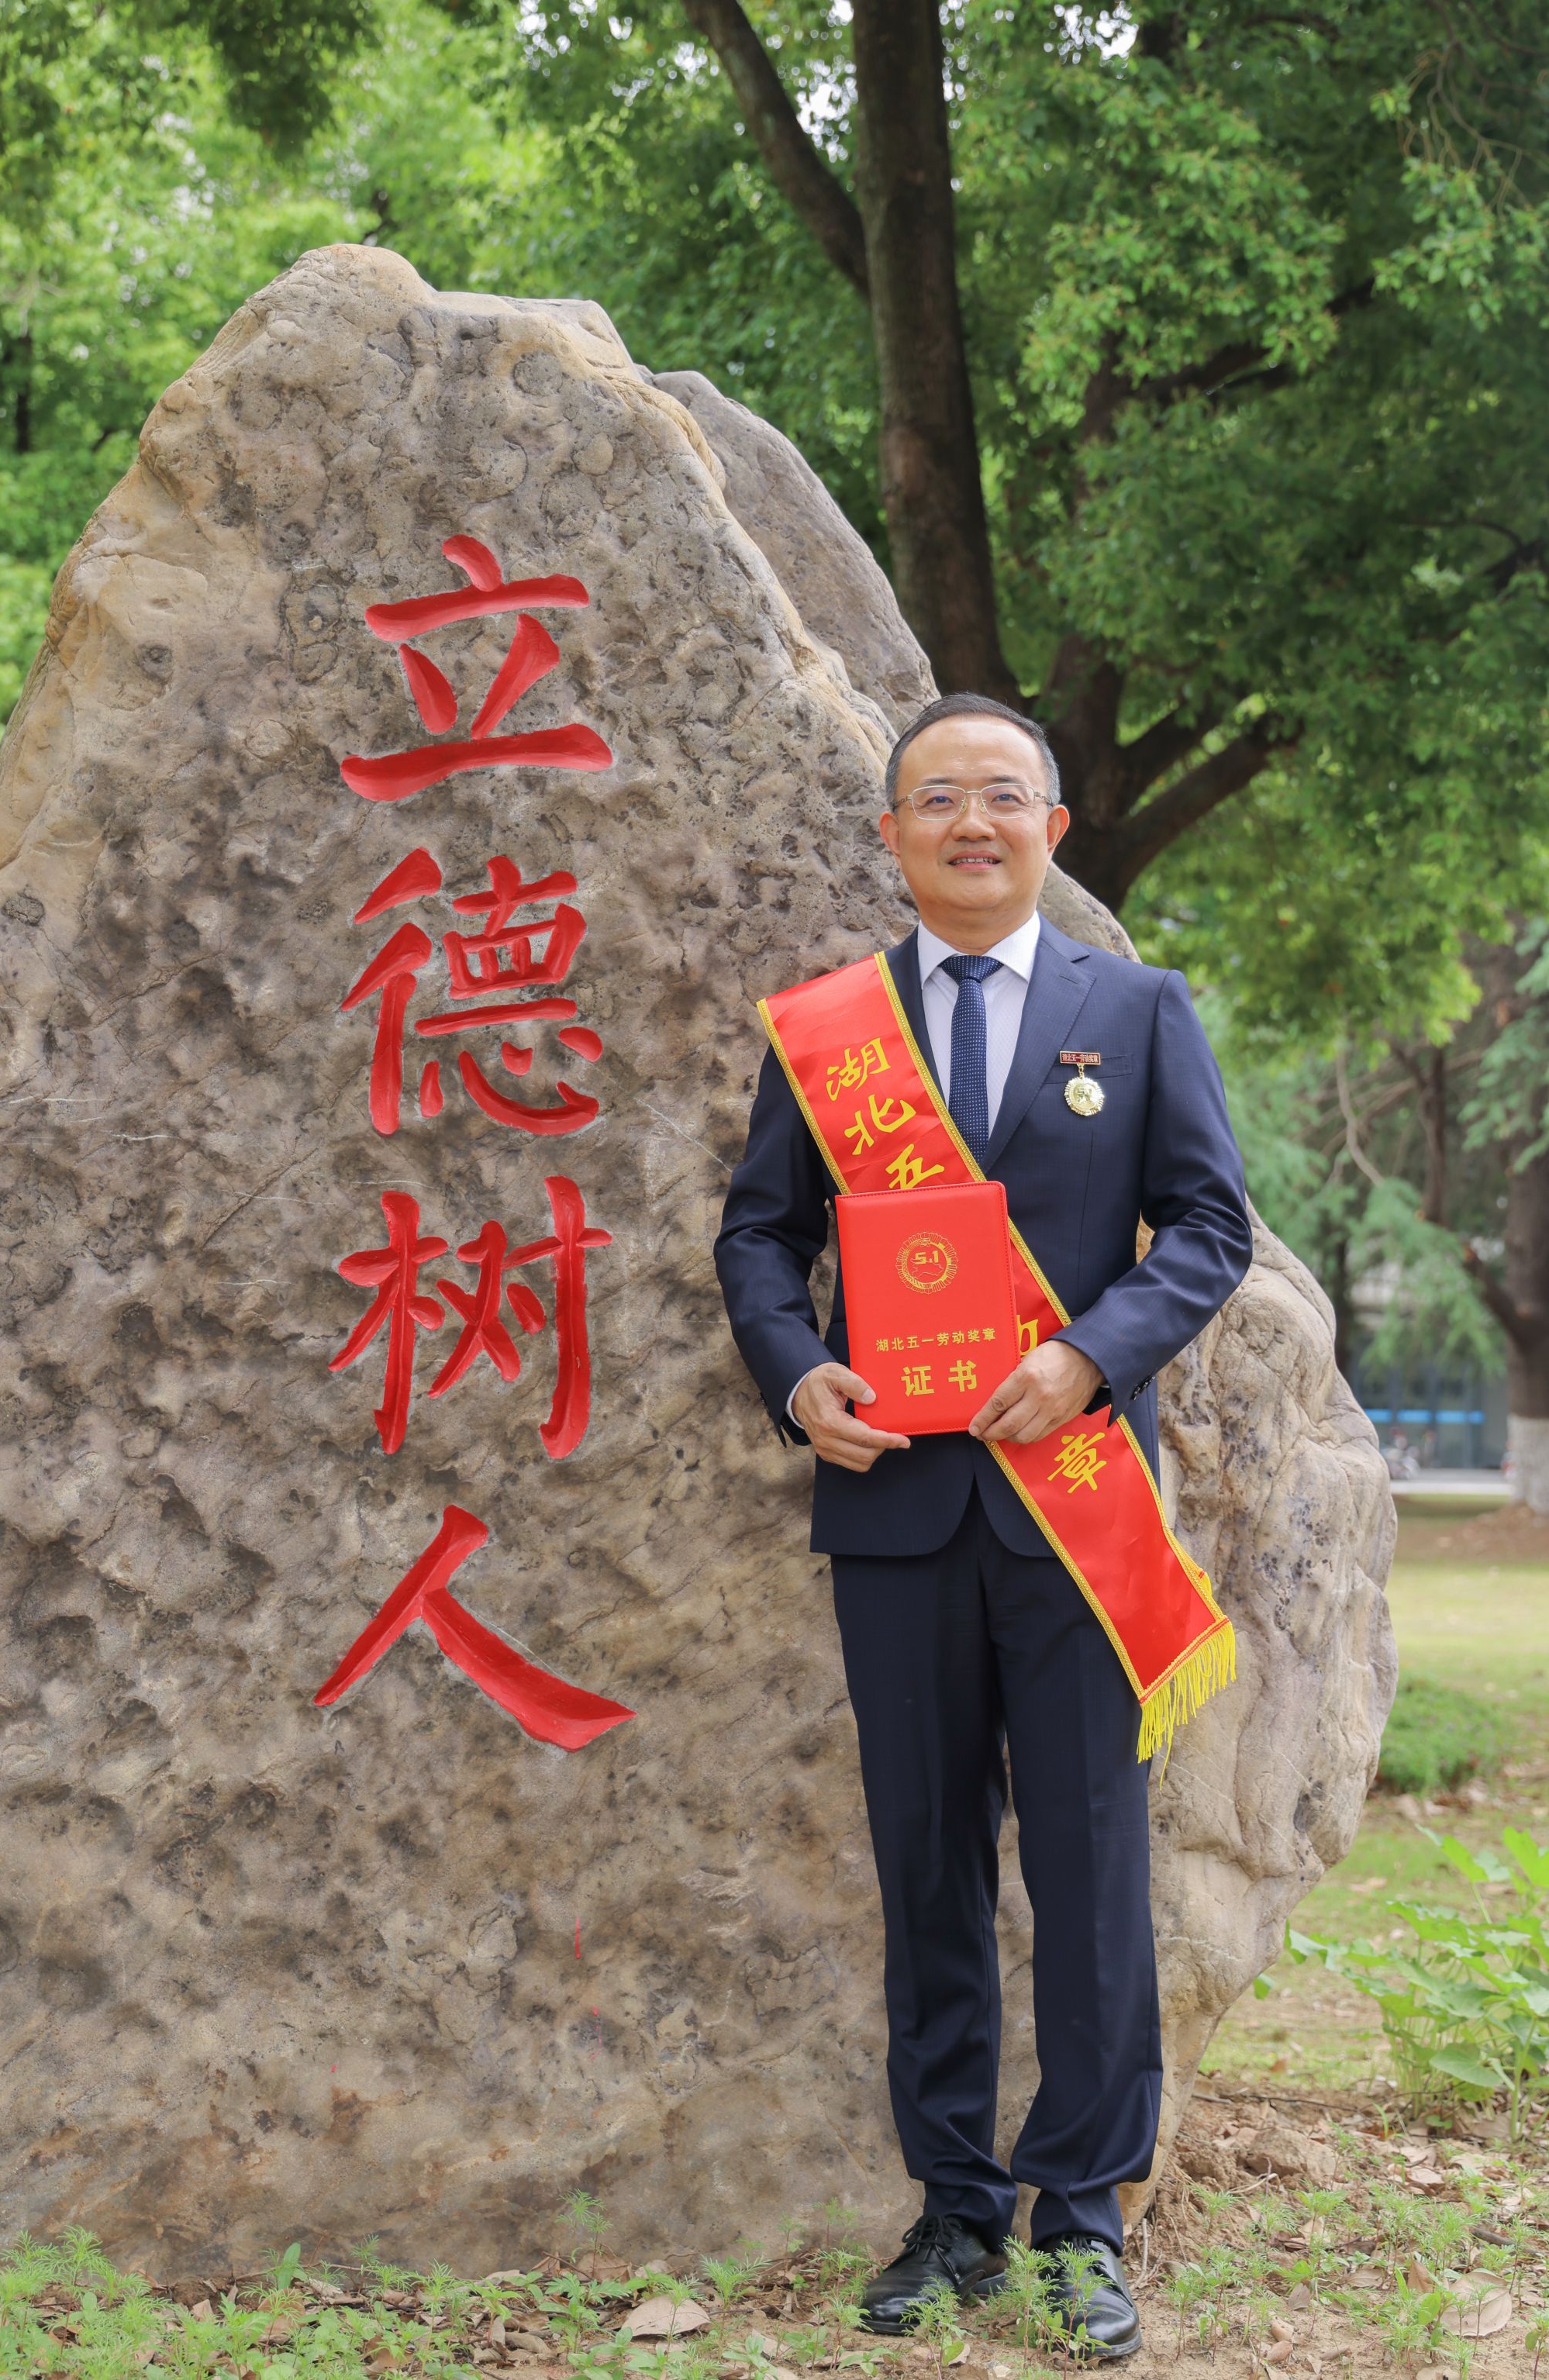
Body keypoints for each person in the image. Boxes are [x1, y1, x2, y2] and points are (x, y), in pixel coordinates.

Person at [714, 694, 1252, 2359]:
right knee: (928, 1862)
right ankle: (954, 2206)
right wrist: (796, 1371)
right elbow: (758, 1234)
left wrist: (1089, 1352)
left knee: (1091, 1873)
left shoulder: (1137, 1009)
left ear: (1051, 827)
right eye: (937, 798)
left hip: (1077, 1515)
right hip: (896, 1507)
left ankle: (1083, 2215)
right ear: (891, 833)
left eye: (1001, 796)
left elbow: (1209, 1225)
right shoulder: (833, 1027)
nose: (971, 822)